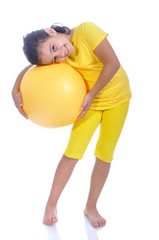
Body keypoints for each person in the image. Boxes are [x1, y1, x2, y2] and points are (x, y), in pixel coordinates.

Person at [12, 22, 131, 228]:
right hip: (88, 105)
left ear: (51, 31)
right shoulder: (60, 57)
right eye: (55, 58)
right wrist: (15, 89)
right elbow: (32, 68)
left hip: (117, 100)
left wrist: (92, 94)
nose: (60, 54)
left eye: (53, 48)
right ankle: (51, 204)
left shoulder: (86, 31)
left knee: (105, 154)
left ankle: (91, 207)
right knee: (73, 153)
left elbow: (113, 64)